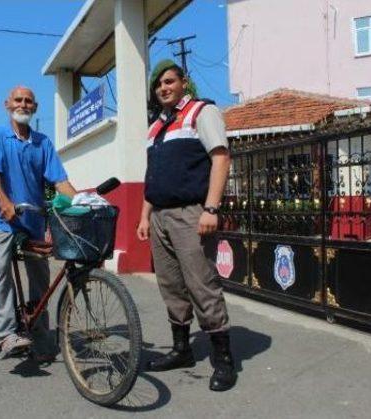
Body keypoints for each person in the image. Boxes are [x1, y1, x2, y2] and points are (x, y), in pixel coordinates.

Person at [136, 61, 236, 392]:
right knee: (171, 287)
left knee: (201, 285)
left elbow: (221, 158)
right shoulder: (155, 127)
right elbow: (153, 177)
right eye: (158, 84)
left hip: (191, 214)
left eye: (169, 81)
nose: (163, 88)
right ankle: (182, 350)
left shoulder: (200, 112)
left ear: (183, 82)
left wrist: (211, 208)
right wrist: (143, 216)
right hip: (160, 216)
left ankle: (224, 360)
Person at [0, 86, 77, 360]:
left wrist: (81, 202)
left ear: (34, 108)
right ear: (7, 104)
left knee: (40, 279)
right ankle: (6, 334)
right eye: (18, 100)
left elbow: (60, 181)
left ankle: (41, 337)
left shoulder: (42, 143)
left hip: (31, 220)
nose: (23, 104)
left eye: (28, 101)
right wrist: (4, 202)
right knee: (0, 269)